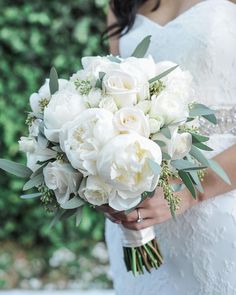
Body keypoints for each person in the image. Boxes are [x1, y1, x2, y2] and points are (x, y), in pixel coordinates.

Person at [99, 0, 236, 294]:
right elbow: (110, 102)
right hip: (142, 218)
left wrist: (188, 190)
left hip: (223, 200)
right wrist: (98, 178)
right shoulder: (120, 4)